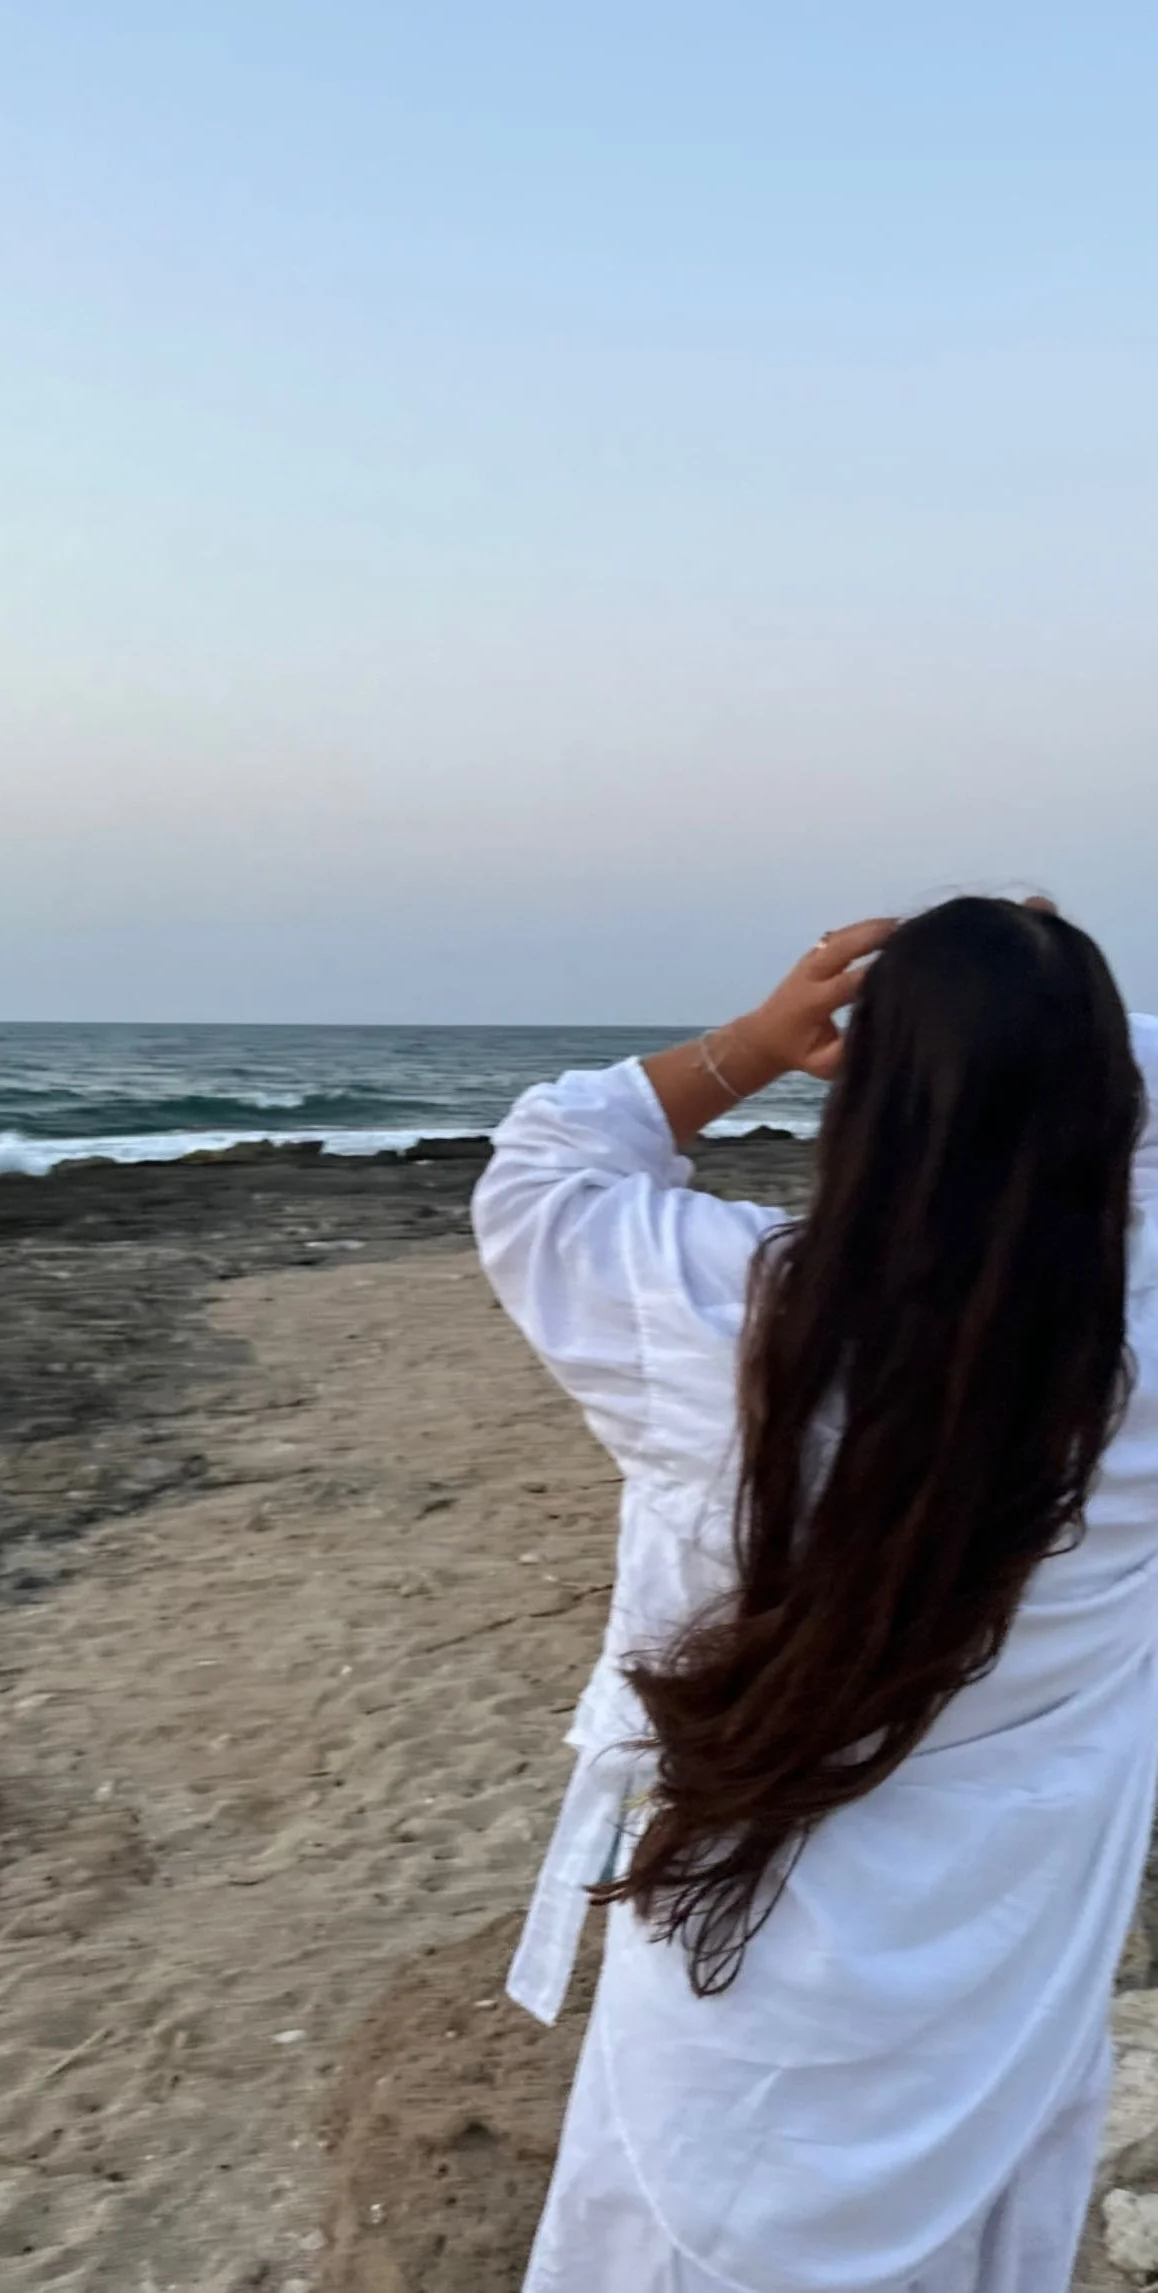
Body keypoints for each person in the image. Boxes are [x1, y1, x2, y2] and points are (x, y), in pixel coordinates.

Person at [471, 896, 1158, 2293]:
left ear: (870, 1095)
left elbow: (544, 1161)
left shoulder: (717, 1306)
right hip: (1001, 1976)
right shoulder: (1133, 1333)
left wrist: (759, 1041)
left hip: (740, 1969)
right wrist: (1040, 998)